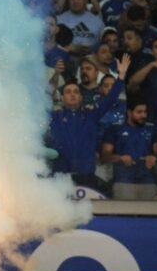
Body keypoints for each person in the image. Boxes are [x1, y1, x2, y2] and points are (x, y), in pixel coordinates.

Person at [50, 53, 131, 191]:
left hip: (86, 175)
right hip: (61, 175)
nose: (73, 94)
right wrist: (56, 75)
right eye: (68, 92)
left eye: (76, 91)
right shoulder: (54, 116)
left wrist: (121, 76)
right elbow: (46, 96)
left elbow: (110, 99)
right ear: (62, 98)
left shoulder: (91, 115)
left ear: (81, 97)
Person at [101, 98, 157, 200]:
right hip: (123, 179)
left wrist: (154, 157)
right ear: (129, 112)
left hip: (148, 180)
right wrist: (120, 158)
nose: (143, 115)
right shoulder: (115, 129)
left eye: (145, 112)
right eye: (139, 112)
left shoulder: (152, 128)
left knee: (150, 214)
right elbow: (104, 155)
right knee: (124, 213)